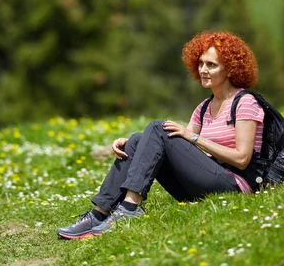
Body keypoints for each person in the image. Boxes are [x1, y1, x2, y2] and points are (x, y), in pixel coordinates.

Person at [56, 31, 265, 239]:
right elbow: (178, 149)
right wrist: (132, 145)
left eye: (211, 65)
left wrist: (194, 138)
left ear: (230, 69)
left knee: (158, 128)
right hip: (202, 184)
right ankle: (98, 215)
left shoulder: (245, 102)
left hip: (233, 186)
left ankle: (130, 209)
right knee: (138, 139)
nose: (203, 70)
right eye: (201, 63)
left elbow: (242, 159)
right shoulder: (204, 108)